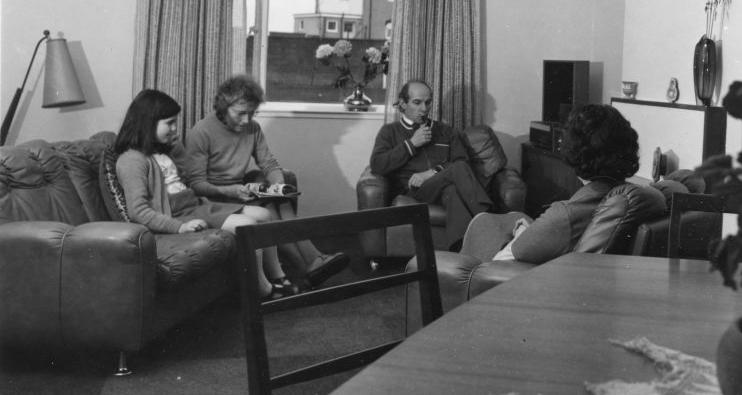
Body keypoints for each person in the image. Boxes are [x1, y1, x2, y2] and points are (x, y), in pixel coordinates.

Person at [114, 89, 294, 300]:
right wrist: (179, 227)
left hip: (195, 205)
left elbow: (186, 177)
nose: (174, 128)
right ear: (148, 122)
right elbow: (138, 211)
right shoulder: (132, 160)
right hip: (177, 215)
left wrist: (175, 147)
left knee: (264, 215)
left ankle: (278, 276)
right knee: (248, 226)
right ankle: (263, 290)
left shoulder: (163, 150)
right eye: (169, 123)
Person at [184, 75, 349, 288]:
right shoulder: (202, 131)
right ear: (224, 106)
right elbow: (196, 184)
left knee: (278, 199)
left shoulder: (252, 128)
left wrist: (278, 185)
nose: (246, 120)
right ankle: (311, 261)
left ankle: (311, 264)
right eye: (240, 113)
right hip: (214, 199)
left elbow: (269, 163)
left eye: (252, 113)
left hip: (240, 191)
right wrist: (231, 191)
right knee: (271, 208)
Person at [487, 103, 639, 264]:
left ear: (575, 150)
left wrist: (522, 234)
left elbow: (496, 263)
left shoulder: (566, 214)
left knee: (483, 225)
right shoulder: (633, 197)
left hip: (511, 277)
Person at [370, 80, 492, 250]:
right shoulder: (390, 131)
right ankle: (489, 222)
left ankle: (459, 252)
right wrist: (411, 144)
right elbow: (377, 165)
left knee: (453, 191)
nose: (424, 108)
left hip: (444, 187)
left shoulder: (445, 131)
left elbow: (462, 162)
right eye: (417, 102)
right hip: (414, 191)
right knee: (456, 172)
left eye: (428, 102)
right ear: (403, 104)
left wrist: (432, 172)